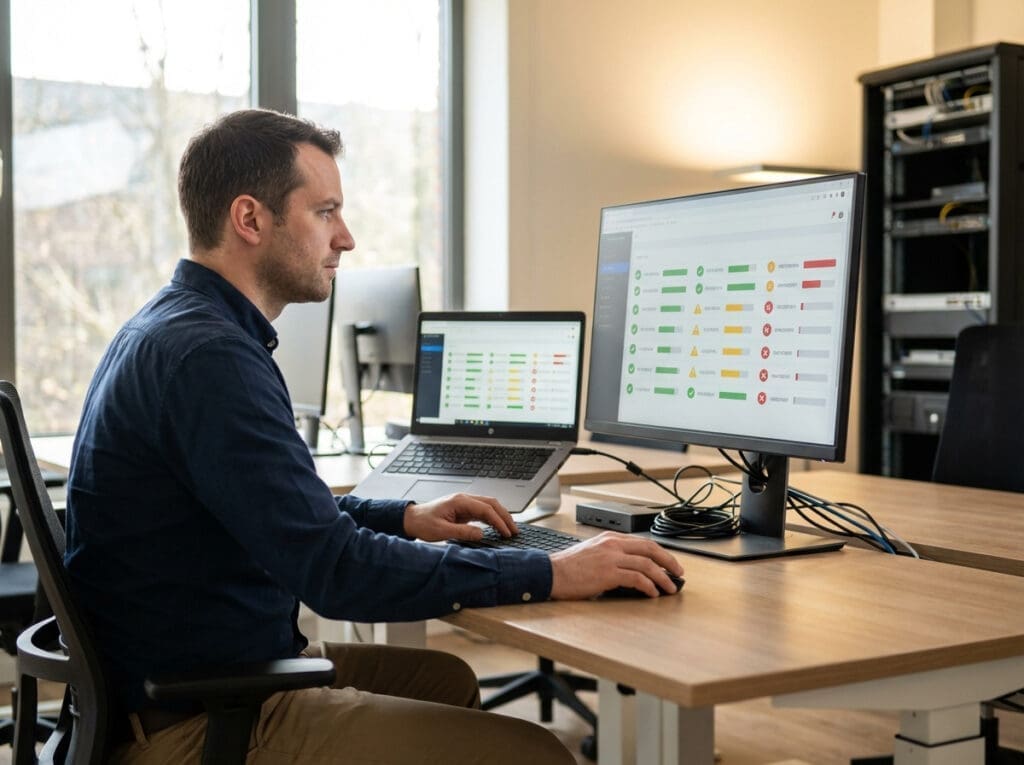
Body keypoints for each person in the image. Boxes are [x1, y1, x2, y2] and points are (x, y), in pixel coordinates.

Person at [64, 108, 684, 764]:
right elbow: (336, 571)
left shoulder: (184, 330)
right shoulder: (209, 359)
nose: (348, 238)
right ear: (250, 219)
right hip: (195, 718)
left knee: (446, 679)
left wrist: (406, 516)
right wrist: (547, 569)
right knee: (541, 752)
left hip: (197, 674)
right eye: (326, 212)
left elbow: (284, 513)